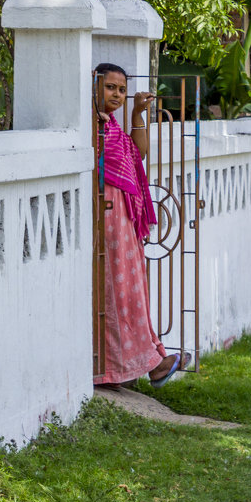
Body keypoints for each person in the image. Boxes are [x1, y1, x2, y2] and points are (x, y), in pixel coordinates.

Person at [92, 62, 185, 389]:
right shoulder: (95, 125)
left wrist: (137, 115)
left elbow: (138, 154)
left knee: (132, 290)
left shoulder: (113, 125)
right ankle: (131, 365)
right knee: (117, 292)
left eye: (121, 89)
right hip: (108, 214)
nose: (116, 94)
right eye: (110, 88)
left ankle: (145, 362)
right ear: (94, 86)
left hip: (123, 216)